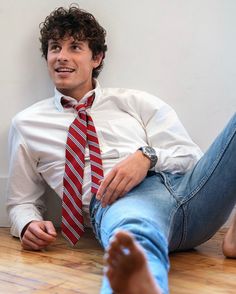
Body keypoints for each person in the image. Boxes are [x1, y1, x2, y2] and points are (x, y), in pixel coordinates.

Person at [6, 5, 236, 294]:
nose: (62, 56)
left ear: (97, 57)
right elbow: (20, 201)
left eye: (75, 47)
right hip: (120, 202)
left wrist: (146, 157)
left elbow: (192, 159)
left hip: (193, 197)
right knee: (135, 237)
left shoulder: (136, 102)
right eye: (54, 47)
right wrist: (27, 224)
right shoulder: (27, 124)